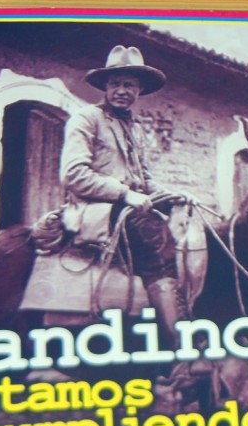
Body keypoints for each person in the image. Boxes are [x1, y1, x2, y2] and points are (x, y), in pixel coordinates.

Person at [60, 44, 190, 377]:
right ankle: (177, 352)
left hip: (128, 207)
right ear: (105, 86)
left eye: (129, 84)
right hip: (95, 208)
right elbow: (73, 174)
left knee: (190, 237)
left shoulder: (133, 129)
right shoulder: (86, 118)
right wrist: (124, 194)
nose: (122, 91)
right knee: (158, 243)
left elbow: (144, 181)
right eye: (115, 83)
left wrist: (172, 194)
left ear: (139, 90)